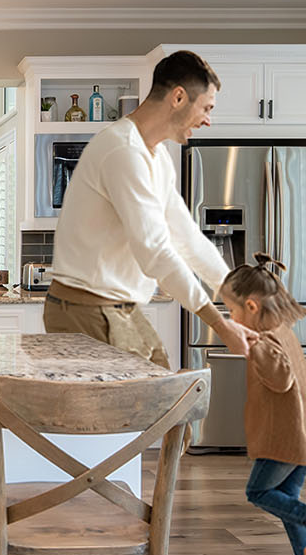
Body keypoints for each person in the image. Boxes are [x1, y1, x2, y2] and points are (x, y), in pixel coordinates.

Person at [45, 50, 254, 366]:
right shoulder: (123, 151)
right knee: (140, 410)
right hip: (83, 311)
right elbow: (155, 250)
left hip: (120, 308)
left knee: (167, 405)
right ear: (179, 97)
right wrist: (220, 324)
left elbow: (187, 238)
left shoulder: (157, 157)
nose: (208, 120)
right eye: (206, 108)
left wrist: (232, 291)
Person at [224, 253, 306, 555]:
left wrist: (252, 347)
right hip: (305, 432)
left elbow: (280, 379)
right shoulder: (283, 330)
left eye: (231, 311)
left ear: (252, 307)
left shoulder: (266, 342)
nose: (231, 317)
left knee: (258, 492)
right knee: (287, 499)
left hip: (285, 438)